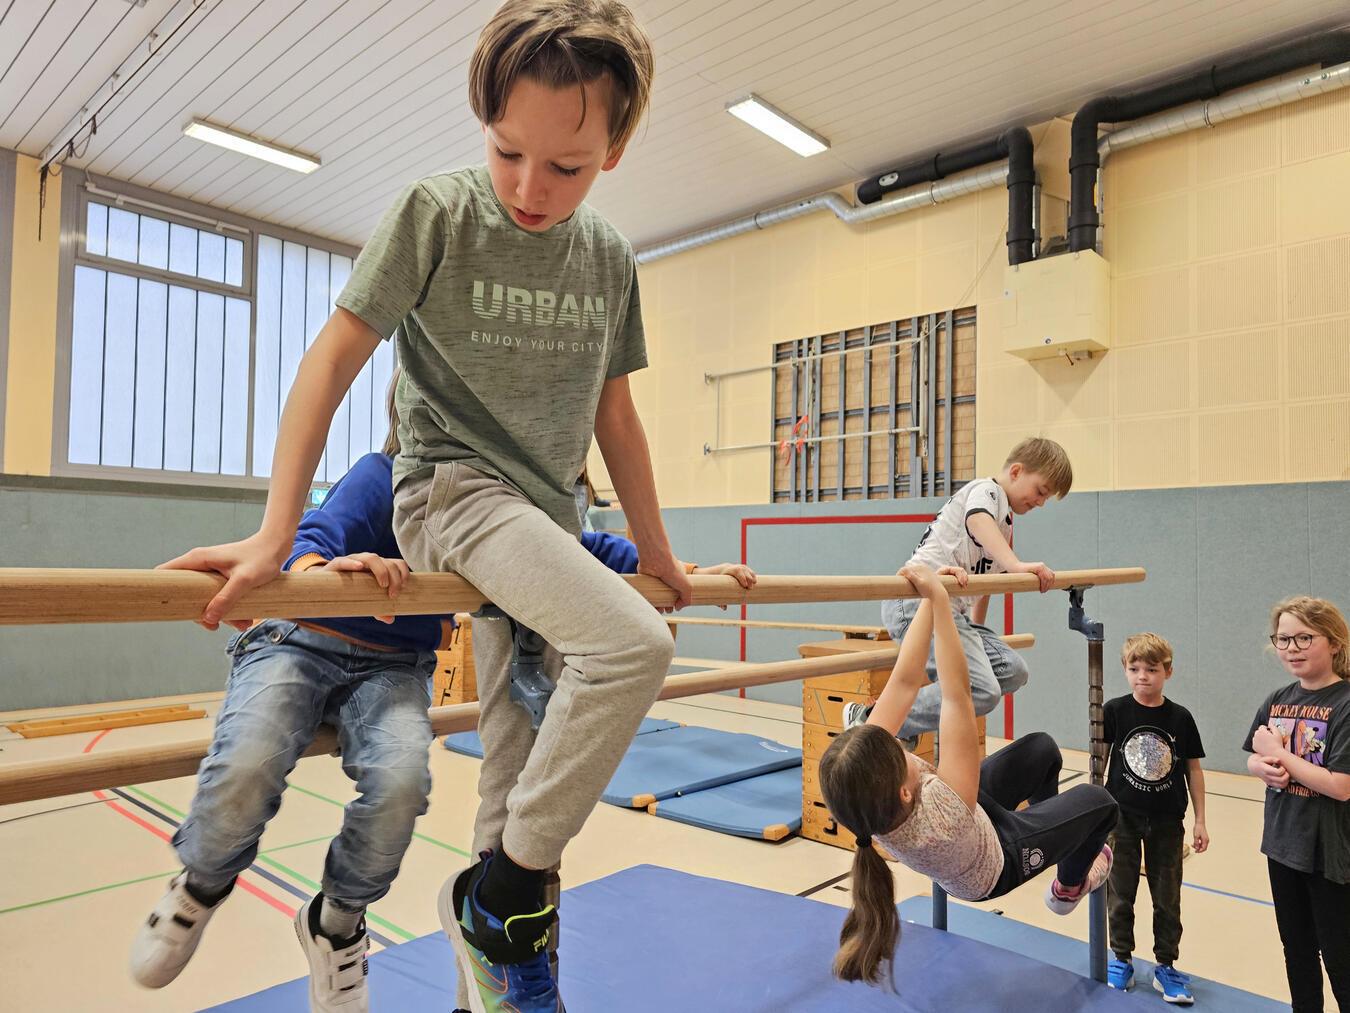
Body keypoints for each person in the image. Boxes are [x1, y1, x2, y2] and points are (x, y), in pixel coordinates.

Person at [161, 6, 680, 1005]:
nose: (530, 187)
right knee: (631, 648)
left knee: (521, 761)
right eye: (507, 151)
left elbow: (618, 412)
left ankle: (492, 973)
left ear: (615, 147)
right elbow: (331, 360)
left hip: (547, 517)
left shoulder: (609, 258)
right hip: (451, 491)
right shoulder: (437, 214)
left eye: (566, 166)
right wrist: (280, 529)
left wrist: (661, 552)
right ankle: (501, 896)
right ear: (483, 121)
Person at [818, 563, 1117, 987]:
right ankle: (1068, 886)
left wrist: (929, 599)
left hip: (974, 825)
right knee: (1102, 804)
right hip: (995, 864)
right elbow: (958, 695)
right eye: (899, 752)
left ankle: (1054, 836)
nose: (900, 743)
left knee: (1043, 750)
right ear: (906, 792)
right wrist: (944, 603)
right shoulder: (940, 815)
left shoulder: (866, 784)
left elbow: (905, 681)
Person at [844, 437, 1073, 739]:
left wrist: (977, 629)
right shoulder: (987, 492)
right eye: (1041, 491)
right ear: (1016, 471)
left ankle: (893, 722)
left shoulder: (1004, 520)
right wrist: (1017, 565)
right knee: (982, 690)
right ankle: (873, 720)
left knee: (1012, 670)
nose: (1041, 502)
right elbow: (977, 520)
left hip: (953, 614)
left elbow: (988, 582)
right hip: (915, 600)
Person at [1244, 596, 1350, 1013]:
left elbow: (1341, 786)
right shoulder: (1278, 698)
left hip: (1330, 855)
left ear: (1335, 643)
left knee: (1339, 956)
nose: (1292, 648)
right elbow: (1255, 753)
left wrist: (1281, 755)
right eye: (1283, 639)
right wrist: (1260, 766)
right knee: (1297, 950)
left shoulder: (1344, 703)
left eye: (1305, 637)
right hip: (1283, 846)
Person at [1102, 633, 1208, 1003]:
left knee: (1167, 898)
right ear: (1125, 671)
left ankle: (1166, 966)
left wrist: (1200, 820)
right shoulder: (1114, 710)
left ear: (1168, 672)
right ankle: (1120, 958)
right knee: (1120, 893)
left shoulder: (1180, 717)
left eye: (1151, 669)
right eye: (1134, 669)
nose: (1142, 676)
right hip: (1123, 818)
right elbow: (1101, 760)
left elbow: (1193, 769)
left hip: (1166, 820)